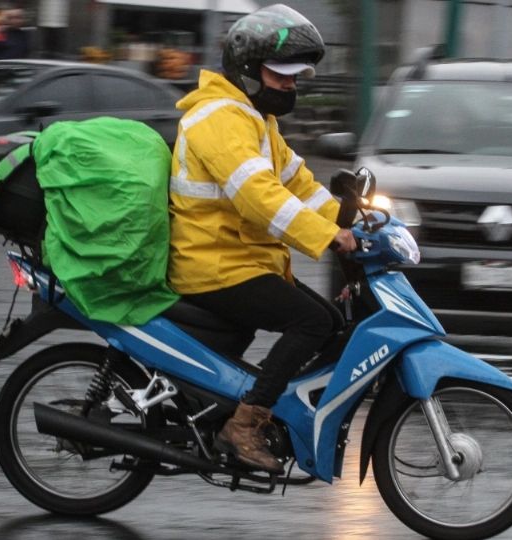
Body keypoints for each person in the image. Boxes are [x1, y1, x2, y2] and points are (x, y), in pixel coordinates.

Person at [167, 4, 356, 474]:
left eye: (297, 75)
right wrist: (328, 237)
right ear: (249, 71)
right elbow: (259, 197)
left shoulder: (257, 121)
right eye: (282, 73)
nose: (292, 83)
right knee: (313, 322)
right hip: (213, 265)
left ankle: (260, 409)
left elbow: (300, 185)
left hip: (243, 261)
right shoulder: (220, 119)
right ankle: (246, 424)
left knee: (333, 321)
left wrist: (356, 223)